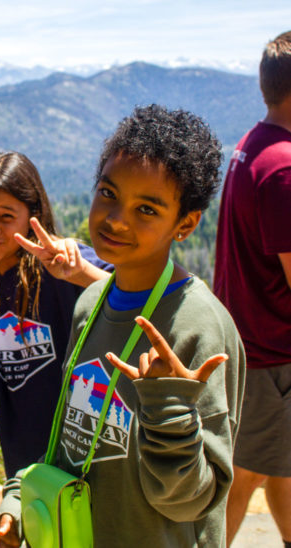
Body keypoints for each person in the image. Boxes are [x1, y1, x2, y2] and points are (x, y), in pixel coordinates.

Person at [0, 105, 245, 548]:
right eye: (108, 193)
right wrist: (18, 500)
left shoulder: (197, 327)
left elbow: (192, 502)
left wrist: (168, 408)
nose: (116, 218)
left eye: (147, 208)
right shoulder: (90, 303)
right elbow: (74, 434)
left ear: (184, 224)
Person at [0, 151, 109, 478]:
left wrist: (81, 274)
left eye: (7, 216)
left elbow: (140, 299)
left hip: (94, 464)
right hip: (28, 472)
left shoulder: (66, 264)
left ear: (33, 215)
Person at [214, 31, 291, 548]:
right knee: (244, 473)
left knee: (279, 466)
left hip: (252, 344)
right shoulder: (284, 166)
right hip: (272, 355)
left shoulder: (252, 145)